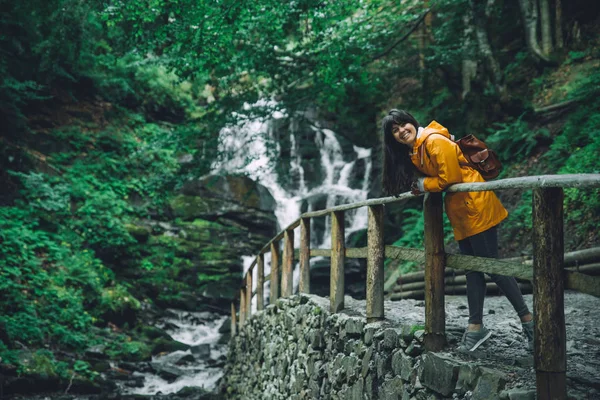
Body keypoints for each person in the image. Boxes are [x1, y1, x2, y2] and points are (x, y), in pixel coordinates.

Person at [381, 109, 534, 352]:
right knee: (473, 270)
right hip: (462, 211)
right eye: (395, 130)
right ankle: (475, 328)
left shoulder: (433, 141)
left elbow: (449, 177)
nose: (401, 131)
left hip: (475, 204)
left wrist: (422, 184)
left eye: (403, 124)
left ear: (412, 122)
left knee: (491, 266)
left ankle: (530, 323)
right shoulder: (417, 149)